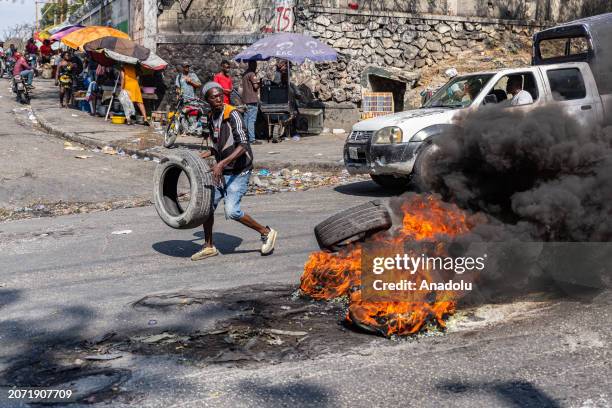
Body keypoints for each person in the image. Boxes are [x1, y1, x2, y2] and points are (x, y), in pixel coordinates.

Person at [191, 82, 278, 261]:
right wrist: (202, 156)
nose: (218, 98)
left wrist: (221, 164)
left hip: (238, 170)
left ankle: (266, 232)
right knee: (207, 207)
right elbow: (218, 146)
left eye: (220, 95)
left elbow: (243, 145)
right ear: (206, 100)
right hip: (222, 170)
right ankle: (208, 246)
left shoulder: (233, 114)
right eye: (213, 96)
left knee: (231, 211)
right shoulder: (209, 116)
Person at [241, 60, 262, 144]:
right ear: (253, 65)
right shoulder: (252, 74)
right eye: (255, 64)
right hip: (252, 99)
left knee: (246, 119)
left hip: (245, 100)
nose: (256, 66)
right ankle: (252, 139)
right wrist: (260, 82)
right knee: (251, 120)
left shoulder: (245, 73)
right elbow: (255, 86)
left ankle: (245, 138)